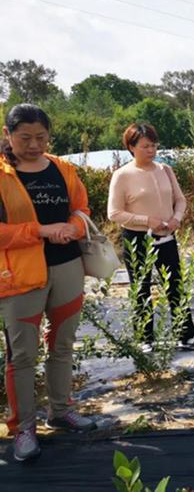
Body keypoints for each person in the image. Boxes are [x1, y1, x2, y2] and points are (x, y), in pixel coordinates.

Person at [0, 104, 97, 462]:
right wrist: (40, 230)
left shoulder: (62, 168)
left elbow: (82, 207)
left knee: (62, 344)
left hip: (67, 266)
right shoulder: (2, 174)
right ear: (8, 135)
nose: (34, 145)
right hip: (19, 276)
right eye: (25, 137)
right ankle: (23, 427)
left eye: (41, 137)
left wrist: (75, 225)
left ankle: (60, 410)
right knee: (22, 354)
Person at [107, 123, 194, 351]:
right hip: (138, 239)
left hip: (167, 235)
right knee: (141, 288)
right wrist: (146, 220)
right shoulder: (122, 175)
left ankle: (186, 335)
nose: (151, 150)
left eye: (153, 145)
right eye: (145, 146)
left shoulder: (165, 170)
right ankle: (144, 338)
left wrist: (176, 218)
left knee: (175, 285)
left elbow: (180, 200)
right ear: (131, 147)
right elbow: (114, 213)